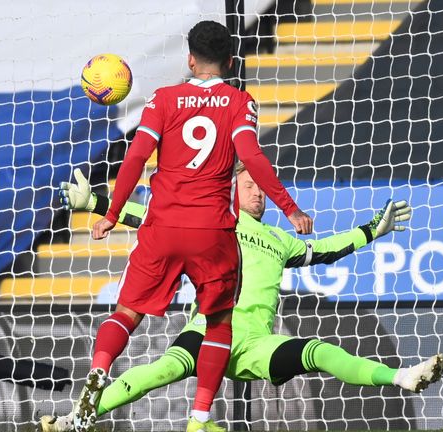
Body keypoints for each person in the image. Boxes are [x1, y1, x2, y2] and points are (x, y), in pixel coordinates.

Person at [39, 165, 443, 432]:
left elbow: (324, 249)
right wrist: (94, 203)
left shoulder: (278, 238)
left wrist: (373, 230)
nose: (258, 193)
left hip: (254, 343)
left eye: (262, 188)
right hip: (210, 327)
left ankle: (402, 377)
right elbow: (150, 217)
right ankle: (75, 419)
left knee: (320, 351)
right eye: (248, 185)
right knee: (158, 371)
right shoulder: (216, 220)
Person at [72, 20, 314, 432]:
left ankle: (97, 373)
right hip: (212, 231)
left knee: (127, 312)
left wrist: (111, 215)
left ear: (189, 59)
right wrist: (290, 209)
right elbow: (252, 159)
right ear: (231, 61)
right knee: (219, 321)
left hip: (162, 225)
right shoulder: (240, 101)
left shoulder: (163, 98)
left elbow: (135, 159)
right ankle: (200, 419)